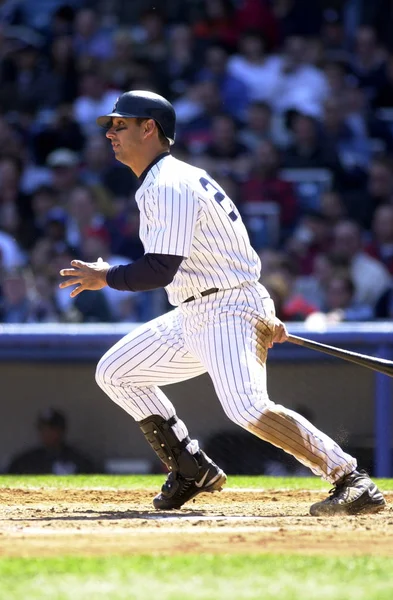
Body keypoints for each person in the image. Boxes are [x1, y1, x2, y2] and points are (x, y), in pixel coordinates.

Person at [59, 90, 385, 516]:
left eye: (120, 124)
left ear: (149, 128)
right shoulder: (166, 180)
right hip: (199, 309)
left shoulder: (170, 183)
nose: (111, 133)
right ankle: (190, 467)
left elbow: (159, 269)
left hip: (227, 308)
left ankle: (350, 478)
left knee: (246, 407)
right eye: (110, 126)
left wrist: (106, 276)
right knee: (116, 371)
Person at [7, 408, 96, 475]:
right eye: (43, 429)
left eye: (52, 429)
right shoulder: (25, 460)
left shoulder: (77, 459)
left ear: (62, 430)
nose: (47, 433)